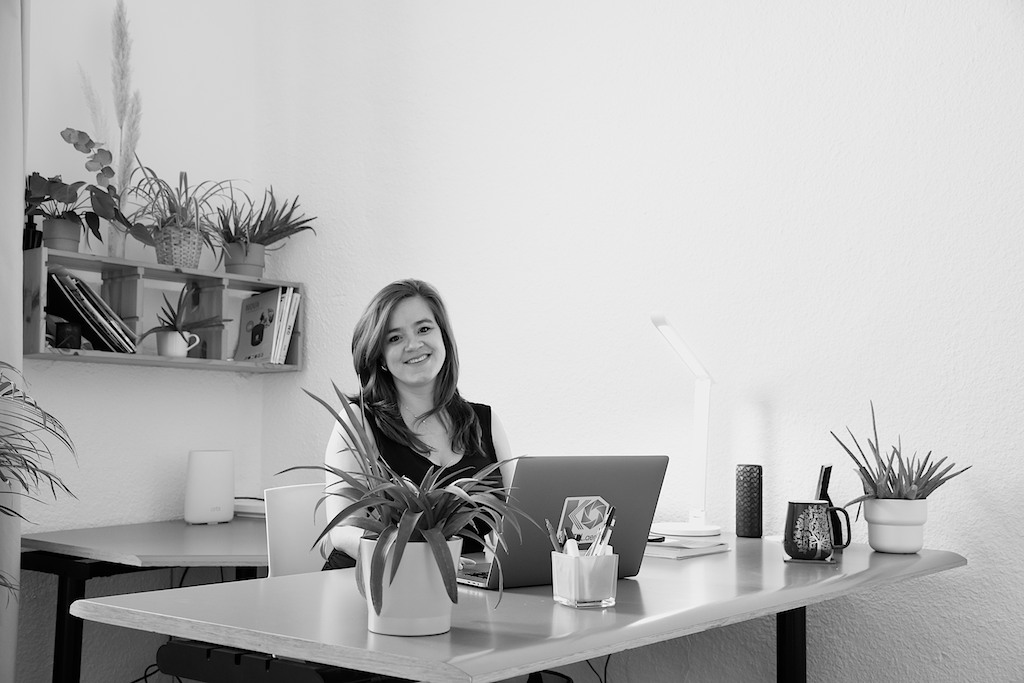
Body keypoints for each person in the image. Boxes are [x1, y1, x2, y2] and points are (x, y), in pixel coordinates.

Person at [322, 278, 514, 570]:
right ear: (380, 357)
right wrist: (421, 561)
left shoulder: (484, 422)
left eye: (424, 329)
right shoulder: (358, 421)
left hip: (458, 585)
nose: (413, 345)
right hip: (367, 581)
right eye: (395, 338)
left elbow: (516, 516)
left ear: (443, 337)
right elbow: (342, 531)